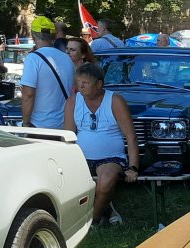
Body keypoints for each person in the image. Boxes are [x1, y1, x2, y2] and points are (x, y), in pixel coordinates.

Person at [64, 62, 139, 226]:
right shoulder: (72, 102)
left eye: (85, 82)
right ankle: (107, 210)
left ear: (99, 84)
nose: (81, 86)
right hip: (80, 157)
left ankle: (92, 222)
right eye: (78, 82)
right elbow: (68, 136)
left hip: (110, 158)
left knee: (105, 182)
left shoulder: (115, 101)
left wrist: (133, 167)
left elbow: (131, 136)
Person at [20, 18, 74, 128]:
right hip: (66, 124)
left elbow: (28, 95)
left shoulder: (33, 59)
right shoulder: (67, 58)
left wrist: (25, 122)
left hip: (41, 125)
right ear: (53, 36)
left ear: (33, 35)